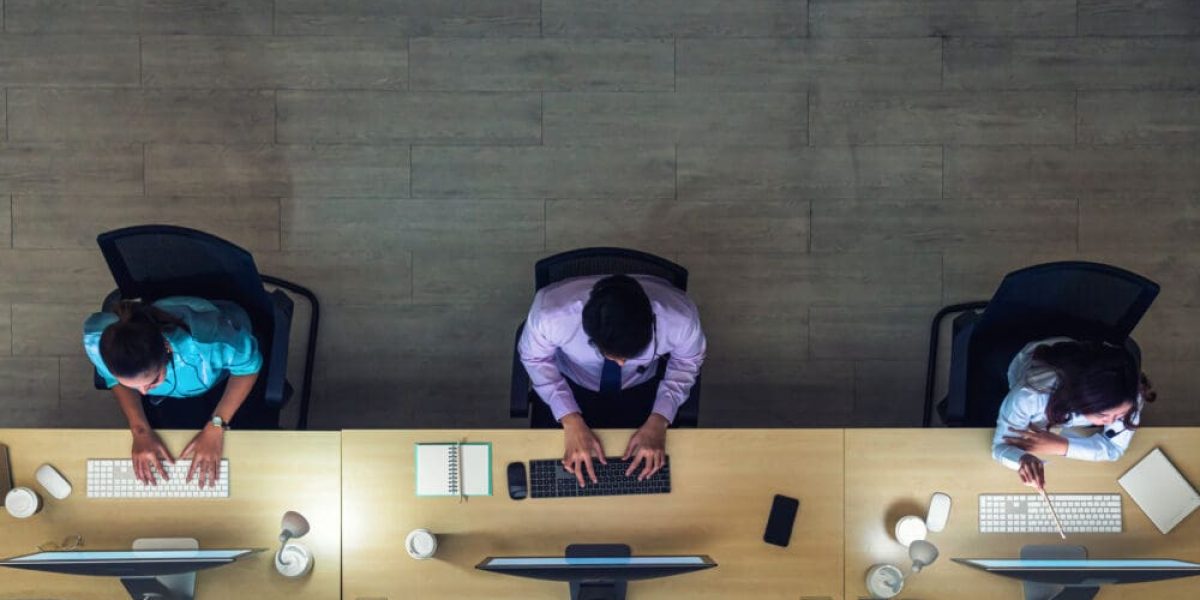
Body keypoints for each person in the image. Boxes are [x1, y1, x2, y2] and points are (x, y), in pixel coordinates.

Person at [519, 274, 705, 488]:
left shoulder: (680, 319)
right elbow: (535, 359)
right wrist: (570, 419)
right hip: (570, 384)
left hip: (640, 386)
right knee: (554, 470)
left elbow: (687, 361)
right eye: (611, 355)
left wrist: (660, 419)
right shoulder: (551, 315)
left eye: (631, 355)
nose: (621, 363)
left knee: (653, 474)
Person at [83, 297, 263, 488]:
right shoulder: (99, 341)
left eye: (152, 381)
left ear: (167, 350)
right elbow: (111, 379)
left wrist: (217, 425)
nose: (142, 393)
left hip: (219, 367)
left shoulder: (211, 342)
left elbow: (248, 368)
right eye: (131, 385)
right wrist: (139, 430)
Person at [992, 337, 1156, 490]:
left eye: (1119, 416)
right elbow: (1000, 445)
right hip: (1032, 365)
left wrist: (1061, 446)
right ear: (1079, 401)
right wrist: (1022, 459)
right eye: (1102, 415)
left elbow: (1114, 448)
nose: (1111, 423)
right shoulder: (1030, 395)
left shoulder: (1129, 393)